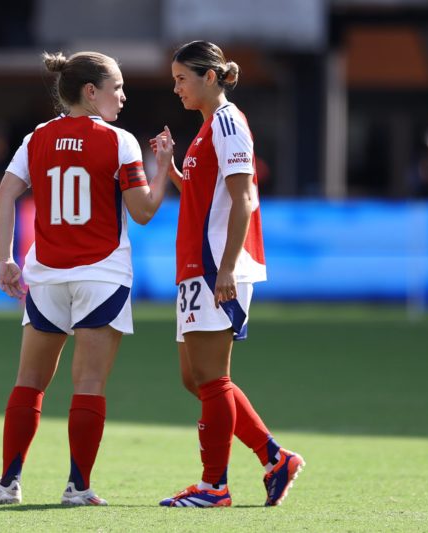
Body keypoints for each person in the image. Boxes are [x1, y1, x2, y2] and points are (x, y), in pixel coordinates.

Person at [0, 50, 173, 506]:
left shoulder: (37, 138)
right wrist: (163, 167)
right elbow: (144, 212)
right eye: (117, 88)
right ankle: (78, 487)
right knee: (88, 385)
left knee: (29, 382)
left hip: (46, 276)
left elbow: (6, 193)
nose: (123, 97)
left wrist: (5, 259)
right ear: (91, 92)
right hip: (101, 276)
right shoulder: (120, 141)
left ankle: (7, 484)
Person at [151, 41, 304, 508]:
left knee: (211, 377)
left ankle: (214, 485)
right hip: (198, 265)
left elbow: (244, 200)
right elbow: (206, 195)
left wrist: (229, 268)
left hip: (217, 265)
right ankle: (274, 458)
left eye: (182, 78)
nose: (175, 87)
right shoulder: (206, 129)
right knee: (195, 377)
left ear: (210, 77)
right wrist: (171, 169)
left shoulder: (227, 123)